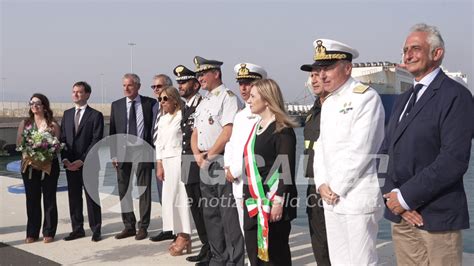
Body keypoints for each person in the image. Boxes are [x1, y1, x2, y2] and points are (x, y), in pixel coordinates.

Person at [380, 23, 474, 265]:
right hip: (402, 219)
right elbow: (385, 153)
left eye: (415, 49)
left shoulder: (456, 96)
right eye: (405, 50)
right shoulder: (402, 101)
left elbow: (453, 160)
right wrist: (393, 198)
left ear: (437, 53)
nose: (408, 55)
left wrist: (405, 198)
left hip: (437, 221)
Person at [311, 39, 385, 265]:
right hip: (331, 198)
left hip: (357, 196)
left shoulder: (366, 97)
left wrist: (337, 187)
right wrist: (322, 183)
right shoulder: (329, 102)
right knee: (339, 260)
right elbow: (320, 147)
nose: (322, 75)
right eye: (320, 69)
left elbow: (362, 150)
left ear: (347, 68)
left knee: (361, 261)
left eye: (329, 68)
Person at [190, 56, 245, 266]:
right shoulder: (203, 101)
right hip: (203, 159)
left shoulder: (228, 98)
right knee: (211, 214)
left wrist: (210, 155)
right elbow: (195, 131)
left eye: (203, 73)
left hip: (219, 159)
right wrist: (196, 154)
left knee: (228, 215)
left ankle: (234, 260)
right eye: (198, 74)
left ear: (216, 74)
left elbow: (228, 130)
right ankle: (218, 257)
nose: (200, 78)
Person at [243, 79, 297, 265]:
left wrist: (278, 201)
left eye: (252, 96)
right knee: (255, 254)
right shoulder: (256, 128)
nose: (248, 100)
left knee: (276, 256)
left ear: (267, 99)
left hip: (274, 203)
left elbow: (286, 169)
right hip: (254, 202)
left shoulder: (283, 129)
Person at [109, 73, 156, 240]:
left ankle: (143, 227)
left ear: (138, 86)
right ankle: (128, 225)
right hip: (122, 151)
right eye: (123, 85)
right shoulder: (117, 105)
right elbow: (112, 131)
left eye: (129, 85)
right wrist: (113, 154)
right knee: (123, 189)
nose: (126, 88)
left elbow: (153, 128)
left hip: (142, 150)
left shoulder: (150, 103)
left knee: (144, 189)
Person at [173, 65, 211, 263]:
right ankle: (206, 245)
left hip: (199, 161)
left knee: (206, 208)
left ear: (196, 84)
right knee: (195, 207)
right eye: (178, 82)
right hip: (187, 161)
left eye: (184, 81)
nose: (180, 85)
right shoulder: (186, 106)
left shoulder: (202, 105)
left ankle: (213, 248)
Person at [224, 62, 267, 234]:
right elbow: (232, 144)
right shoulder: (240, 115)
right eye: (240, 83)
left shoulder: (263, 114)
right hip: (237, 181)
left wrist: (235, 170)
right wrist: (227, 166)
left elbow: (255, 150)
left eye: (248, 83)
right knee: (245, 229)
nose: (243, 88)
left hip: (254, 182)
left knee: (259, 230)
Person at [60, 81, 104, 242]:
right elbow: (62, 139)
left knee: (92, 197)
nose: (75, 94)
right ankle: (77, 229)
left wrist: (82, 160)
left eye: (79, 92)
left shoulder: (95, 115)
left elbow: (96, 140)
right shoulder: (67, 114)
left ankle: (96, 229)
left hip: (89, 164)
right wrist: (65, 159)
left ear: (87, 94)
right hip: (70, 165)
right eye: (73, 91)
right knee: (74, 198)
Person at [16, 93, 61, 244]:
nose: (34, 105)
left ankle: (49, 231)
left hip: (49, 166)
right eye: (32, 103)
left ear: (44, 106)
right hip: (29, 167)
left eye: (38, 103)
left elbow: (57, 146)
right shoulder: (25, 123)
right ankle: (32, 232)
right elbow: (19, 144)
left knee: (49, 199)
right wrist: (31, 152)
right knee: (32, 200)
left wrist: (46, 150)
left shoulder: (52, 124)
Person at [154, 86, 193, 256]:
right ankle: (178, 233)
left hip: (179, 160)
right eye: (160, 99)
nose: (162, 102)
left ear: (174, 100)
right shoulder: (162, 119)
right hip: (166, 162)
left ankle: (184, 235)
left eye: (165, 99)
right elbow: (159, 144)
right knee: (169, 199)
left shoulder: (181, 116)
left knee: (181, 198)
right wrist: (159, 164)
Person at [299, 62, 330, 265]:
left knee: (337, 243)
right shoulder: (313, 111)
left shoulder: (337, 108)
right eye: (312, 75)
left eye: (319, 74)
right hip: (313, 184)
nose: (315, 79)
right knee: (318, 239)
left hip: (332, 186)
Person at [149, 73, 176, 242]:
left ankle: (178, 231)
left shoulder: (176, 107)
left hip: (172, 156)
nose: (156, 90)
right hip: (158, 154)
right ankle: (168, 227)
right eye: (154, 87)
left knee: (174, 195)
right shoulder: (155, 107)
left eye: (159, 86)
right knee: (162, 194)